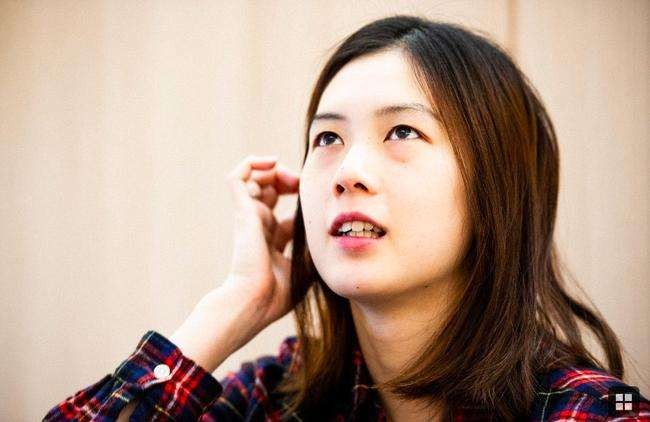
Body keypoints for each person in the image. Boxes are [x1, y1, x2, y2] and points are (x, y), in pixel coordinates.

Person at [44, 14, 649, 422]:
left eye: (403, 132)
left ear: (497, 187)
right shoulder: (271, 400)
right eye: (328, 138)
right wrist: (233, 308)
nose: (347, 171)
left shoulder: (594, 412)